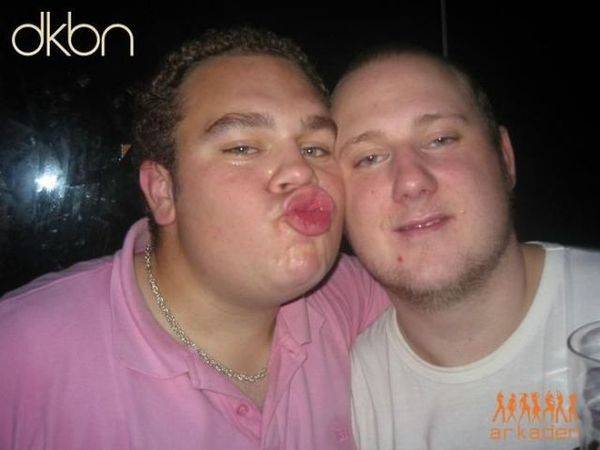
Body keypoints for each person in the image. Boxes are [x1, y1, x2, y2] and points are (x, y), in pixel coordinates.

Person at [0, 28, 389, 449]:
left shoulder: (354, 296)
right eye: (242, 148)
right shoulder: (22, 349)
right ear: (163, 192)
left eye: (315, 148)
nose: (301, 170)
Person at [331, 47, 600, 449]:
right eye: (369, 158)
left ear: (505, 158)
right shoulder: (343, 405)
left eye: (440, 139)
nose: (411, 181)